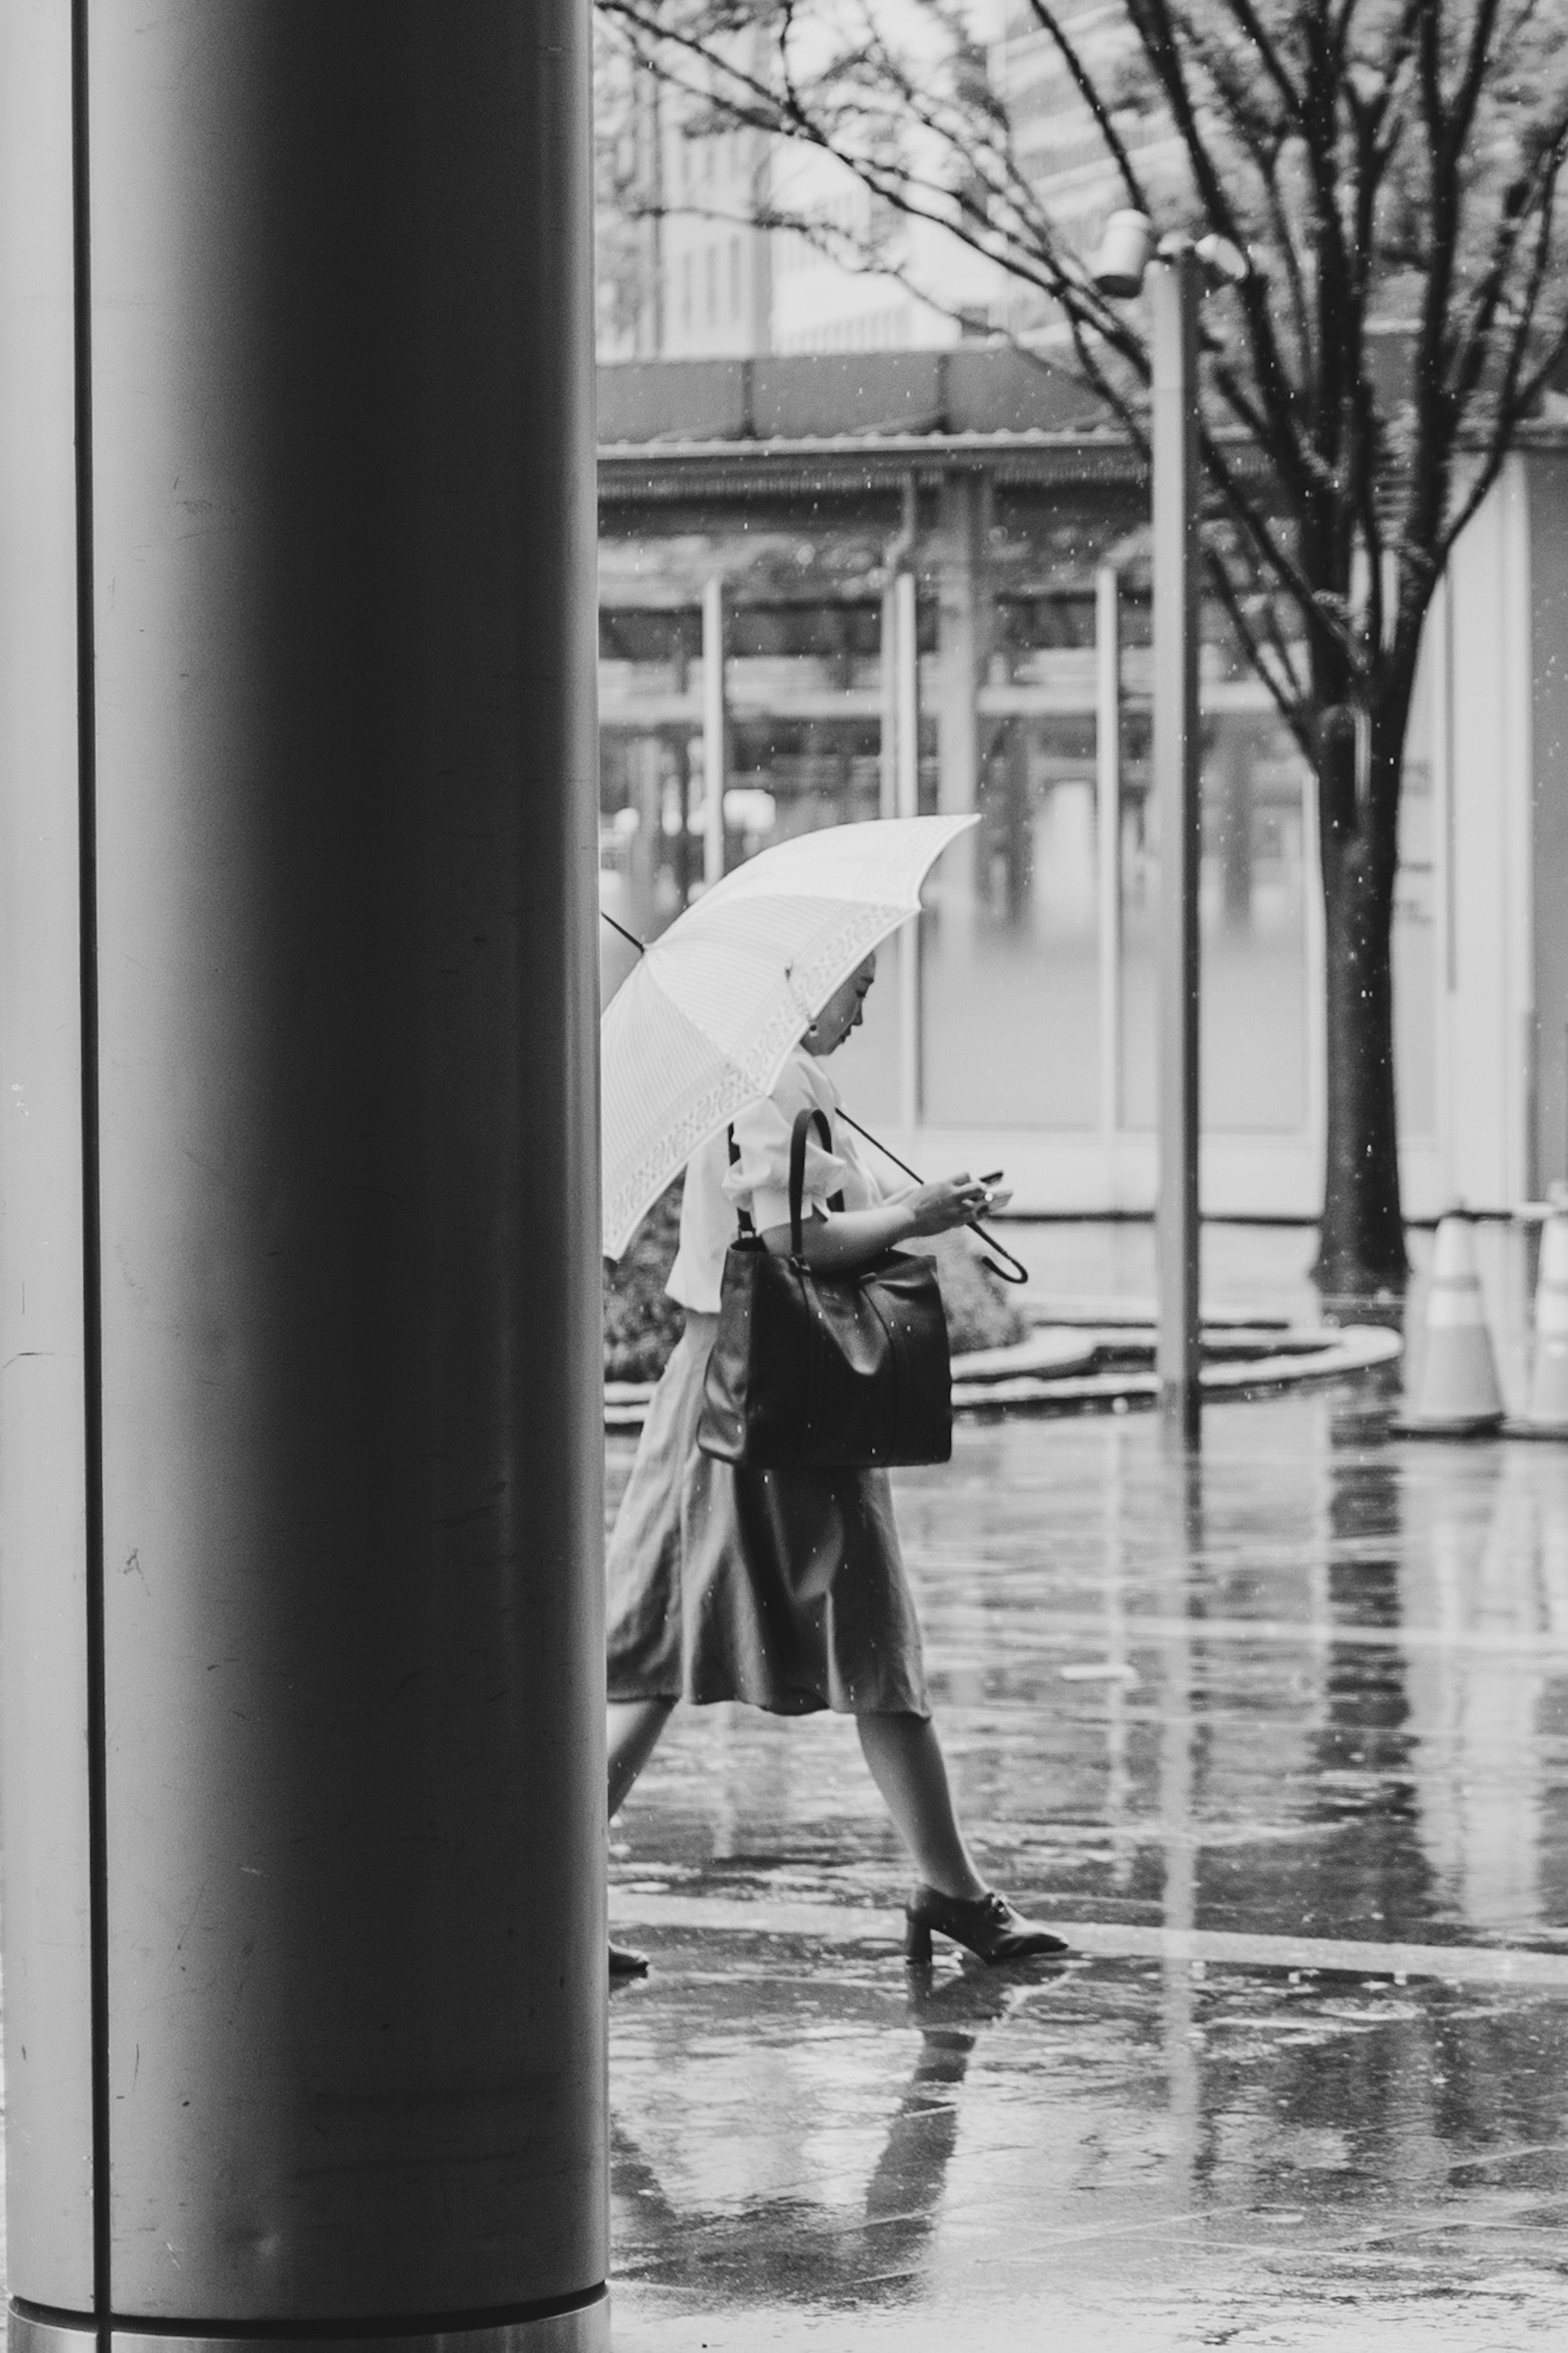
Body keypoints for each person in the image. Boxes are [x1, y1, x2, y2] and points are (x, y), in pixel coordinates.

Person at [605, 949, 1068, 1977]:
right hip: (751, 1398)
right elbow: (788, 1240)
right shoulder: (768, 1080)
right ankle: (952, 1896)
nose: (866, 1008)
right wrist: (917, 1215)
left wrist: (908, 1208)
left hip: (776, 1397)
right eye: (858, 988)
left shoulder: (783, 1079)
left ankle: (952, 1892)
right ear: (806, 987)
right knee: (676, 1647)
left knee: (840, 1641)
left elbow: (801, 1228)